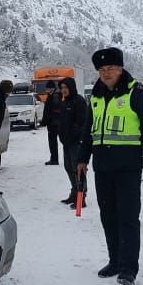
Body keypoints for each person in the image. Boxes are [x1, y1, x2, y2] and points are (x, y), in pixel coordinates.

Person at [77, 47, 143, 285]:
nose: (106, 73)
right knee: (108, 217)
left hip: (128, 167)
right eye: (102, 70)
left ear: (120, 68)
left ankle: (128, 270)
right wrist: (82, 159)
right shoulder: (95, 95)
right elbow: (88, 130)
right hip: (102, 168)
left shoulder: (136, 92)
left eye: (111, 69)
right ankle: (115, 261)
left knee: (127, 218)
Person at [58, 77, 87, 209]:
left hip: (76, 142)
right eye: (62, 88)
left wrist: (72, 135)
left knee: (78, 170)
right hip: (66, 143)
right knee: (68, 168)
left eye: (66, 88)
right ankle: (74, 192)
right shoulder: (64, 102)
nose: (63, 90)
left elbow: (81, 122)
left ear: (71, 88)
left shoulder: (79, 101)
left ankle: (81, 197)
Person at [41, 80, 62, 165]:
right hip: (54, 122)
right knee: (54, 142)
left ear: (51, 88)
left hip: (54, 123)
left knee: (53, 142)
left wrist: (46, 120)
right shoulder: (52, 95)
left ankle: (54, 159)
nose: (46, 90)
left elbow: (52, 109)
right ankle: (54, 158)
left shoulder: (55, 95)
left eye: (47, 88)